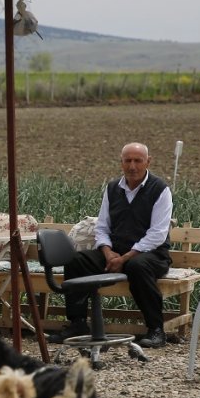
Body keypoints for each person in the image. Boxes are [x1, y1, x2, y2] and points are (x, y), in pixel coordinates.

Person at [47, 142, 173, 349]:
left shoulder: (160, 190)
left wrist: (124, 258)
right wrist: (107, 252)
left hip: (152, 254)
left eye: (137, 161)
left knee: (137, 267)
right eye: (128, 161)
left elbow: (157, 234)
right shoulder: (113, 188)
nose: (132, 166)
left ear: (148, 162)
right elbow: (102, 226)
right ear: (121, 162)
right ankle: (77, 323)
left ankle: (156, 330)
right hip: (114, 252)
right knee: (76, 261)